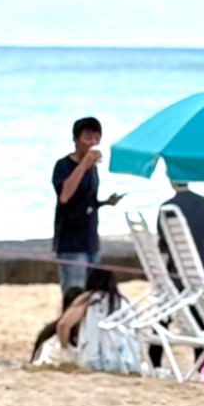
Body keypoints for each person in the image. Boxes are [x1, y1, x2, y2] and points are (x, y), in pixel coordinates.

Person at [51, 117, 121, 295]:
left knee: (92, 292)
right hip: (71, 242)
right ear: (76, 139)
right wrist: (84, 164)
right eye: (88, 138)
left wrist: (106, 202)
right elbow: (65, 196)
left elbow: (86, 200)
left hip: (90, 239)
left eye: (97, 138)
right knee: (75, 292)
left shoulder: (93, 169)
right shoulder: (63, 165)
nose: (93, 143)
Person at [158, 175, 204, 281]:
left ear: (172, 183)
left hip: (178, 273)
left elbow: (163, 243)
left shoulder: (167, 208)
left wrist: (161, 273)